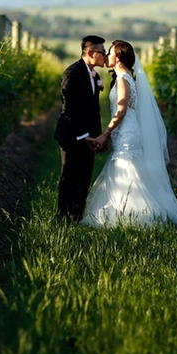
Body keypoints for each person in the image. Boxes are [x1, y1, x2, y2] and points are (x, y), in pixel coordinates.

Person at [80, 40, 177, 227]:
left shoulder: (123, 79)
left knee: (127, 169)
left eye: (109, 53)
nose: (106, 56)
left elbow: (121, 111)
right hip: (125, 131)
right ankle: (127, 213)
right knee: (128, 168)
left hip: (126, 131)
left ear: (118, 57)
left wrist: (106, 133)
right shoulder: (125, 77)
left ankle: (137, 215)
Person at [54, 35, 107, 221]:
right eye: (102, 52)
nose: (105, 55)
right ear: (91, 53)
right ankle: (62, 218)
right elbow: (69, 110)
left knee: (84, 177)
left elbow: (94, 110)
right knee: (69, 176)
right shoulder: (72, 73)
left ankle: (76, 217)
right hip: (71, 134)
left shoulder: (95, 74)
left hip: (88, 136)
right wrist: (84, 135)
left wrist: (97, 136)